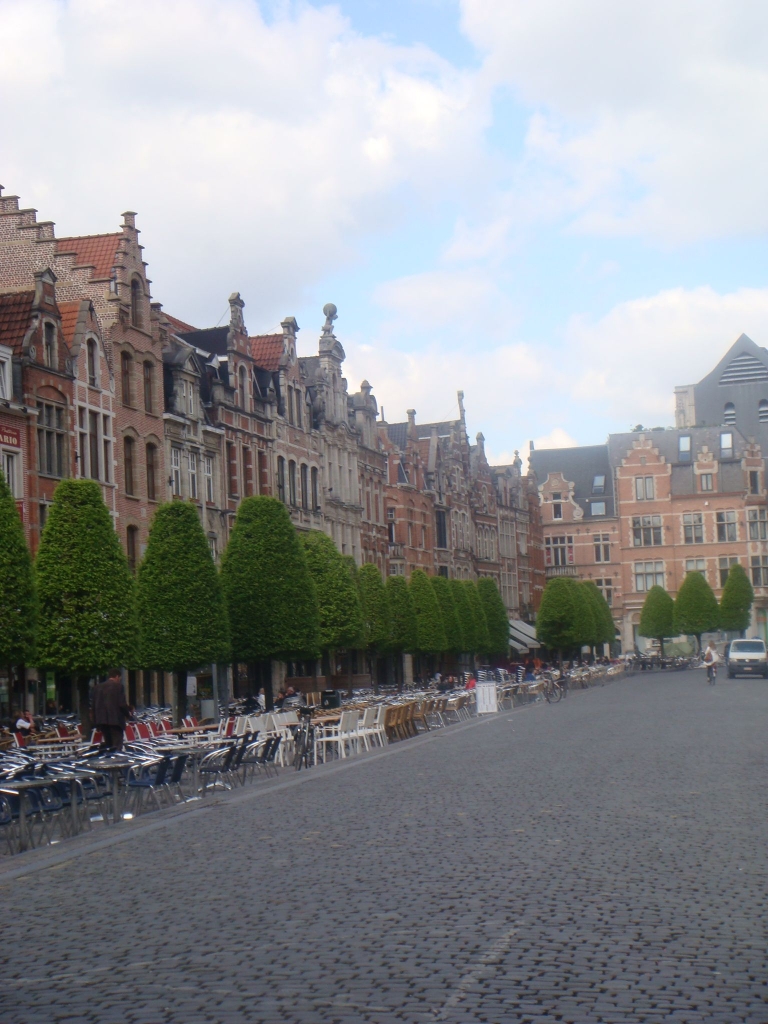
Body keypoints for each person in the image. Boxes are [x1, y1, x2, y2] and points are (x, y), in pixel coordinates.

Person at [92, 669, 132, 751]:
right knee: (117, 745)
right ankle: (116, 757)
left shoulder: (97, 687)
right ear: (117, 676)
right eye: (119, 678)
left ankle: (109, 757)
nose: (119, 680)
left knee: (108, 744)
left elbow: (94, 705)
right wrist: (128, 714)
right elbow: (122, 704)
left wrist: (96, 722)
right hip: (115, 721)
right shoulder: (118, 687)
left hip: (102, 721)